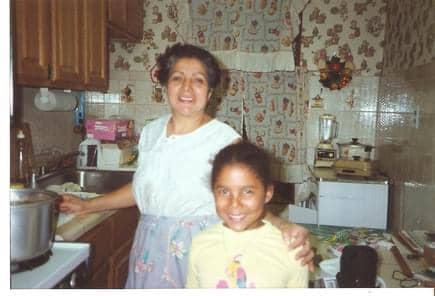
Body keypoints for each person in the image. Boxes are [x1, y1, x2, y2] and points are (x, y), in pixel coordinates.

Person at [59, 43, 314, 289]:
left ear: (211, 92)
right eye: (178, 78)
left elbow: (246, 199)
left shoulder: (224, 140)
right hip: (149, 248)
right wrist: (88, 205)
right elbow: (143, 189)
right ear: (165, 85)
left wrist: (283, 228)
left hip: (202, 248)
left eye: (199, 80)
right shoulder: (151, 132)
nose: (187, 88)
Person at [185, 141, 309, 288]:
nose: (234, 204)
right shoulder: (200, 243)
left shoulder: (292, 249)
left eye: (247, 191)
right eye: (224, 192)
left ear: (268, 193)